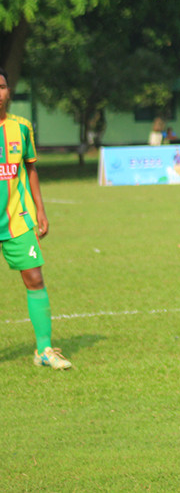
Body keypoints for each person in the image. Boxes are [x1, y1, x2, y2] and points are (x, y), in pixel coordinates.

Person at [0, 68, 72, 370]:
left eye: (1, 86)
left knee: (34, 278)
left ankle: (44, 350)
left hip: (17, 219)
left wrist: (41, 210)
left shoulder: (21, 128)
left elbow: (30, 170)